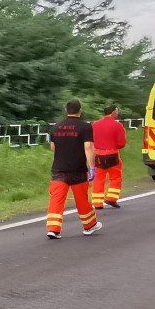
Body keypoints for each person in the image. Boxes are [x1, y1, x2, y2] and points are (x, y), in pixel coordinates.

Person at [46, 99, 101, 239]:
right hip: (78, 170)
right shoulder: (85, 127)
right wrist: (92, 167)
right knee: (82, 199)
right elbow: (88, 147)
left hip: (59, 170)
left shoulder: (55, 127)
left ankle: (53, 229)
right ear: (80, 110)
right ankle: (89, 226)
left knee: (56, 200)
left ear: (66, 111)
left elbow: (53, 148)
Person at [89, 103, 126, 209]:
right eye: (117, 111)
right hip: (112, 155)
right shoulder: (117, 125)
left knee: (98, 179)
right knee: (116, 177)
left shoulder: (94, 124)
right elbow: (121, 143)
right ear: (113, 111)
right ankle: (111, 198)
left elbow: (90, 141)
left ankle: (97, 203)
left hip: (98, 156)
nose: (118, 113)